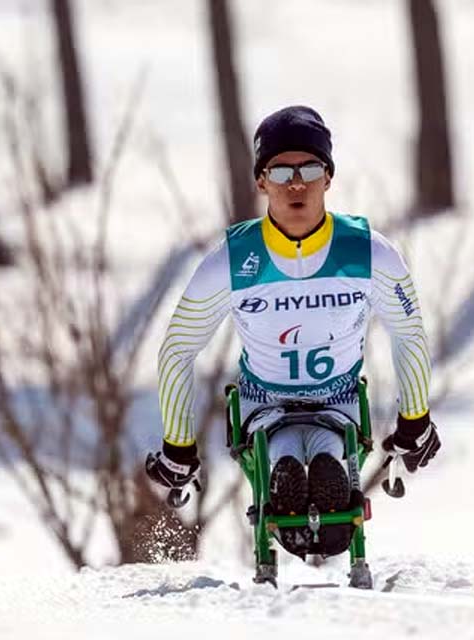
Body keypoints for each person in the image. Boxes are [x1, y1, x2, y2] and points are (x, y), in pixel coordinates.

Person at [146, 105, 440, 557]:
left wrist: (415, 418)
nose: (296, 184)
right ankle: (291, 476)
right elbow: (177, 349)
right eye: (281, 172)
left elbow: (410, 332)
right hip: (264, 403)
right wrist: (178, 445)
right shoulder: (232, 258)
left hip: (340, 400)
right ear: (262, 182)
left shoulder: (367, 251)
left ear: (328, 177)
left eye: (309, 168)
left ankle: (327, 480)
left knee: (330, 474)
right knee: (280, 458)